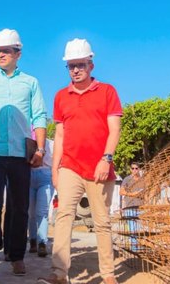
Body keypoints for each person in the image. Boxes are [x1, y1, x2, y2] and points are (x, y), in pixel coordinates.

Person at [38, 39, 122, 284]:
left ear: (91, 65)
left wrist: (106, 159)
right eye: (71, 66)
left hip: (99, 167)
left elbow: (114, 130)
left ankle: (108, 275)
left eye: (80, 65)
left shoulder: (108, 91)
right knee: (63, 216)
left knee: (102, 222)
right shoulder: (61, 97)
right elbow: (60, 135)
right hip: (70, 167)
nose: (75, 70)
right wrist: (55, 168)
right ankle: (59, 273)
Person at [0, 29, 47, 283]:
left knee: (19, 206)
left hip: (20, 155)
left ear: (18, 53)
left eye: (6, 50)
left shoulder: (31, 83)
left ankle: (16, 255)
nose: (0, 54)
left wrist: (41, 149)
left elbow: (38, 117)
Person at [28, 137, 55, 257]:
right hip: (29, 176)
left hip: (45, 176)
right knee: (31, 212)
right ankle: (33, 240)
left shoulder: (51, 144)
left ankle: (42, 243)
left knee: (42, 211)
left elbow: (56, 163)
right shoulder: (27, 143)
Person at [119, 162, 144, 252]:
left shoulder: (142, 180)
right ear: (130, 169)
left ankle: (137, 246)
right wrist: (132, 194)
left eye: (136, 168)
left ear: (139, 169)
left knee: (139, 229)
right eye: (132, 168)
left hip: (140, 206)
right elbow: (121, 192)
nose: (134, 170)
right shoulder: (127, 179)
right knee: (132, 228)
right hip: (130, 206)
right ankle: (134, 248)